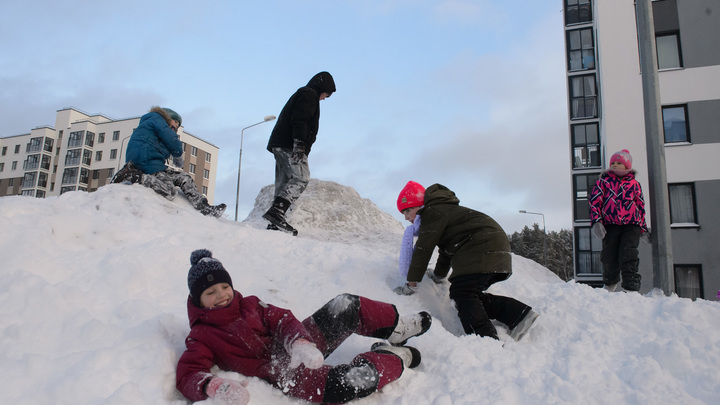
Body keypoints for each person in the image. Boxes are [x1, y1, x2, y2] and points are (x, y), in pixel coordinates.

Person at [176, 249, 432, 405]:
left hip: (301, 348)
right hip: (285, 376)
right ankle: (395, 357)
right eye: (211, 292)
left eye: (224, 287)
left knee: (345, 304)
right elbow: (188, 374)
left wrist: (300, 342)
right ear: (197, 299)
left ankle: (396, 328)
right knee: (354, 381)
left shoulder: (251, 304)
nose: (221, 294)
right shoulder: (201, 336)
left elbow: (282, 319)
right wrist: (213, 386)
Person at [393, 181, 538, 341]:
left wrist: (412, 283)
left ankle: (486, 340)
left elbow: (423, 249)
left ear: (420, 206)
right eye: (403, 214)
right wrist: (438, 276)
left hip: (481, 247)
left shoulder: (432, 213)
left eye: (408, 210)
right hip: (493, 248)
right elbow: (447, 251)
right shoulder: (443, 211)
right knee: (467, 295)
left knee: (463, 294)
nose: (406, 217)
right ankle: (519, 314)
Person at [112, 106, 226, 218]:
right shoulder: (157, 120)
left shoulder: (151, 123)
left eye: (177, 127)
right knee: (169, 190)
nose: (175, 128)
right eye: (174, 123)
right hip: (145, 163)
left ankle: (204, 207)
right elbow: (174, 142)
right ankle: (136, 177)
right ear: (166, 117)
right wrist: (178, 156)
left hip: (151, 164)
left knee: (184, 177)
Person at [263, 72, 336, 235]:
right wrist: (300, 145)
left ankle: (275, 222)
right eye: (327, 94)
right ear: (322, 87)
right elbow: (300, 119)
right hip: (291, 145)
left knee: (283, 182)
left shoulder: (304, 93)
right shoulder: (309, 94)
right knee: (301, 178)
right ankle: (277, 212)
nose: (324, 98)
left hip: (280, 144)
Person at [589, 149, 648, 292]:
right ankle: (610, 283)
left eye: (619, 163)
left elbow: (640, 206)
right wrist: (597, 222)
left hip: (631, 224)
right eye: (613, 163)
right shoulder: (603, 182)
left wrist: (643, 228)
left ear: (627, 165)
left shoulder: (634, 184)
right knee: (609, 254)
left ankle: (631, 285)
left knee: (629, 253)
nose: (615, 165)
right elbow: (595, 203)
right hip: (611, 224)